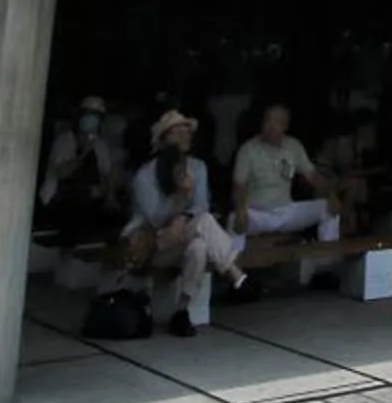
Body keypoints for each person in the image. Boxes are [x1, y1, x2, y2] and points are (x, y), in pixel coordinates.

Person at [128, 112, 251, 336]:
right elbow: (154, 218)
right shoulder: (145, 174)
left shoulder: (197, 167)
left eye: (187, 131)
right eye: (178, 132)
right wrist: (179, 197)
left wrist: (182, 218)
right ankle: (234, 272)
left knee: (200, 246)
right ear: (164, 139)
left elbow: (202, 204)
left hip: (184, 234)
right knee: (203, 223)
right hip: (154, 242)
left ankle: (181, 311)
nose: (185, 136)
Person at [231, 102, 344, 238]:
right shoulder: (248, 150)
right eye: (268, 120)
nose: (271, 126)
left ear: (285, 126)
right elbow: (239, 186)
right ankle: (233, 259)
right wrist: (240, 210)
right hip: (258, 213)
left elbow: (313, 176)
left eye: (278, 122)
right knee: (233, 220)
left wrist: (331, 194)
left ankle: (328, 257)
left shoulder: (293, 146)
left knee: (329, 208)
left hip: (286, 211)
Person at [37, 94, 123, 240]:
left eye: (95, 116)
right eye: (88, 114)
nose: (91, 119)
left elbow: (106, 173)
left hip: (88, 199)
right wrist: (83, 153)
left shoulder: (100, 145)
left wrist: (110, 196)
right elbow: (62, 173)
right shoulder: (65, 140)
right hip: (60, 199)